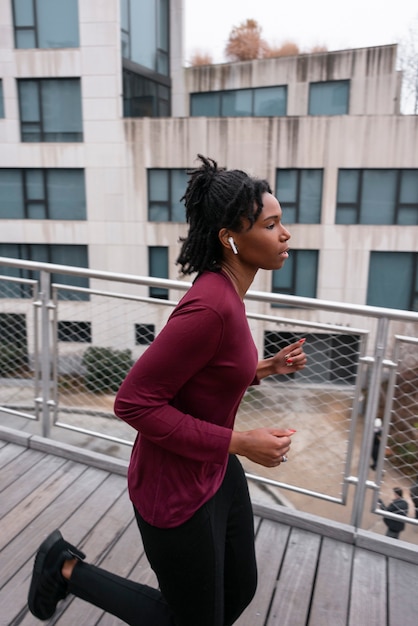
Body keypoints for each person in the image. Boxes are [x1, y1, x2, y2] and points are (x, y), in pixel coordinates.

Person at [27, 155, 307, 626]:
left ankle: (66, 567)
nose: (286, 235)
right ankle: (66, 567)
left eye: (282, 223)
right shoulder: (210, 307)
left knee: (240, 590)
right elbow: (133, 402)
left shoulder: (230, 294)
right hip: (174, 492)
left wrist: (264, 368)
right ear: (230, 238)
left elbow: (209, 373)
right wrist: (240, 442)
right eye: (271, 224)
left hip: (214, 470)